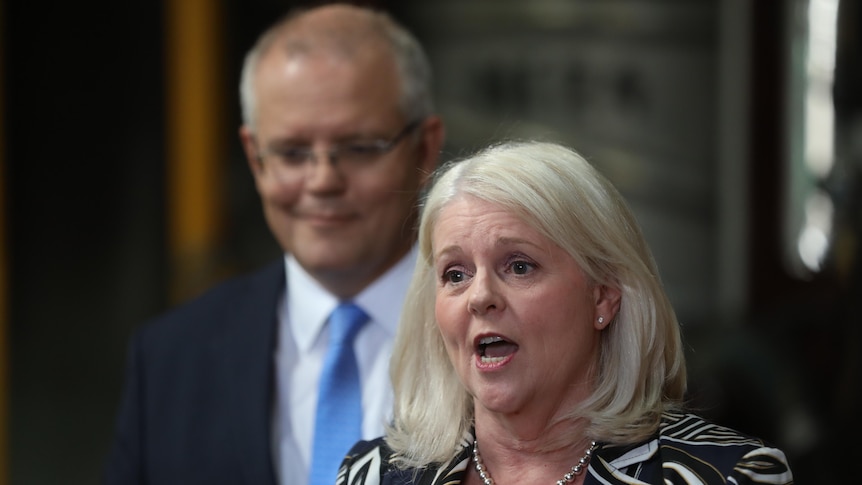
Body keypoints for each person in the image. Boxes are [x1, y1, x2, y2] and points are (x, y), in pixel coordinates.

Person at [104, 4, 444, 485]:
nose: (323, 180)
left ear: (425, 149)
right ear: (254, 157)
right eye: (291, 152)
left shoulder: (502, 337)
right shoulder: (170, 358)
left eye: (360, 147)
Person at [337, 141, 794, 485]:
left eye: (519, 266)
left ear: (603, 297)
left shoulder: (729, 476)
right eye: (455, 274)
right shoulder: (373, 474)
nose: (480, 296)